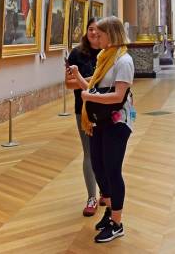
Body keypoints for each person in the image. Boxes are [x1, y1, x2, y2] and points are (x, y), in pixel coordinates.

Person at [67, 17, 135, 243]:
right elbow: (93, 88)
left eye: (101, 34)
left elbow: (118, 96)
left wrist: (90, 96)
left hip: (117, 122)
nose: (97, 37)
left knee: (112, 170)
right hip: (98, 120)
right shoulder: (104, 57)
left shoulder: (123, 61)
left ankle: (117, 222)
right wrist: (78, 77)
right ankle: (109, 210)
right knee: (98, 166)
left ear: (112, 35)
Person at [65, 17, 102, 217]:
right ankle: (91, 196)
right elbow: (68, 84)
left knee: (104, 152)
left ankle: (105, 190)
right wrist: (92, 80)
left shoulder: (109, 52)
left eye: (97, 30)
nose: (93, 33)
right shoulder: (77, 54)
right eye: (90, 29)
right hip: (84, 109)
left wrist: (82, 79)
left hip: (107, 108)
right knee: (88, 152)